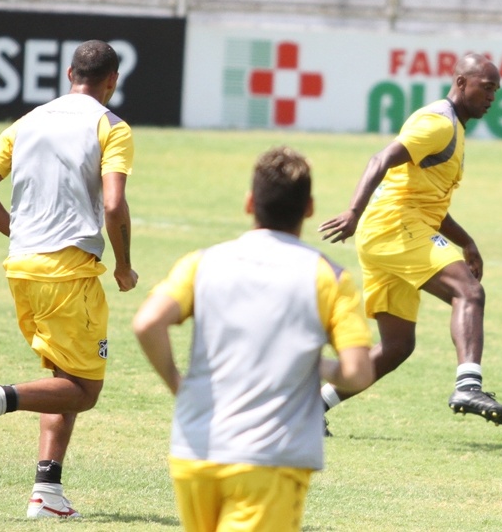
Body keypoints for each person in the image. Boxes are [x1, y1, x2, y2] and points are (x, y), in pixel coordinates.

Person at [133, 146, 374, 532]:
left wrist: (177, 383)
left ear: (249, 203)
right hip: (269, 459)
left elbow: (147, 323)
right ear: (309, 209)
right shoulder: (328, 276)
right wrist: (315, 364)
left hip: (195, 450)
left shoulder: (202, 262)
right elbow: (358, 373)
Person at [0, 39, 138, 519]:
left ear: (69, 73)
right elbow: (114, 204)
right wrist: (123, 265)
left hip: (22, 268)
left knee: (63, 376)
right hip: (68, 274)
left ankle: (47, 492)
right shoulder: (111, 127)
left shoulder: (28, 121)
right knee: (84, 390)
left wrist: (22, 233)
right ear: (112, 81)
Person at [318, 53, 502, 432]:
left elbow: (428, 203)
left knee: (397, 346)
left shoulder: (453, 128)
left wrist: (467, 242)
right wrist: (353, 211)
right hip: (395, 226)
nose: (492, 97)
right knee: (469, 292)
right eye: (486, 87)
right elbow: (381, 159)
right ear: (461, 82)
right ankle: (468, 386)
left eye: (496, 90)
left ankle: (313, 405)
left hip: (387, 231)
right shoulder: (438, 123)